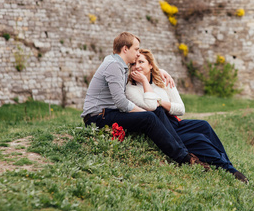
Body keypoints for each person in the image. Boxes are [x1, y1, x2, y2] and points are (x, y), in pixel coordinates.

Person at [81, 32, 210, 170]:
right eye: (136, 49)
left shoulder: (119, 64)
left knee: (157, 110)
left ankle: (188, 155)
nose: (137, 53)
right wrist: (146, 113)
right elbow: (121, 103)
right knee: (150, 116)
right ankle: (183, 159)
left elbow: (140, 75)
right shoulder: (114, 66)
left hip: (109, 113)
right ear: (125, 49)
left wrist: (159, 70)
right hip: (98, 117)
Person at [126, 49, 248, 183]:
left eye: (141, 62)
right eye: (133, 64)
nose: (137, 66)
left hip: (174, 122)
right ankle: (230, 171)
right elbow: (151, 106)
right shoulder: (131, 88)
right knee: (199, 140)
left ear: (150, 65)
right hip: (161, 127)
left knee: (204, 126)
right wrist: (143, 81)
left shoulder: (162, 80)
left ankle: (229, 164)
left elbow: (180, 109)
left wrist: (161, 102)